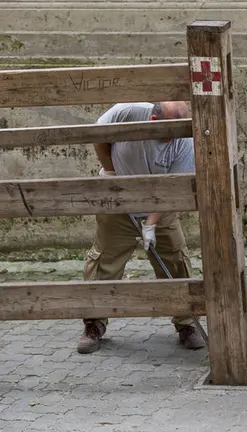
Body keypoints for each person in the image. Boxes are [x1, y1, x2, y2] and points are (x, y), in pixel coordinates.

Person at [77, 101, 205, 354]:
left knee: (176, 261)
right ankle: (94, 323)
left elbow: (172, 188)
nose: (174, 139)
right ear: (154, 121)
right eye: (169, 133)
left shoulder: (184, 140)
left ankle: (186, 322)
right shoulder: (125, 113)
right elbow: (98, 136)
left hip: (162, 205)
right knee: (104, 262)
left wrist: (151, 223)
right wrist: (111, 174)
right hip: (117, 203)